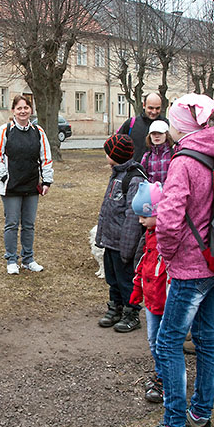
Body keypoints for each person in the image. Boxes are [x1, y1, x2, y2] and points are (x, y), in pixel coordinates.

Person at [131, 94, 214, 427]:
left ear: (183, 125)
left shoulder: (184, 160)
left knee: (168, 342)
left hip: (190, 266)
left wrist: (168, 258)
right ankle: (200, 414)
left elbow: (170, 220)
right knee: (206, 339)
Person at [0, 95, 54, 275]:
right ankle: (11, 259)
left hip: (31, 185)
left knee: (29, 225)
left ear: (30, 110)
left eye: (26, 108)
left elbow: (45, 158)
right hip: (11, 187)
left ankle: (28, 259)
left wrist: (46, 180)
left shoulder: (38, 131)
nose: (23, 111)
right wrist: (4, 176)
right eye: (19, 108)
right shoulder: (5, 131)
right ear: (13, 111)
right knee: (11, 224)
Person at [95, 133, 145, 333]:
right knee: (112, 278)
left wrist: (128, 248)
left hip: (124, 243)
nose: (106, 155)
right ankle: (115, 307)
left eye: (108, 152)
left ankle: (131, 312)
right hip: (111, 241)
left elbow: (133, 216)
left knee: (126, 281)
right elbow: (108, 208)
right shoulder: (116, 173)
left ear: (115, 154)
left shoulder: (133, 178)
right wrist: (101, 238)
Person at [129, 181, 168, 403]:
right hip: (152, 300)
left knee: (164, 342)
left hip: (165, 300)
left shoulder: (167, 238)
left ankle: (166, 380)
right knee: (153, 340)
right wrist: (138, 289)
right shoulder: (150, 236)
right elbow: (144, 264)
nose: (140, 221)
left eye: (144, 216)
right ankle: (160, 373)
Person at [116, 93, 168, 162]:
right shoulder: (131, 123)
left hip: (157, 171)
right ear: (144, 105)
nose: (154, 112)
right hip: (133, 170)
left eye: (157, 108)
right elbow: (116, 145)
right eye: (151, 108)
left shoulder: (166, 125)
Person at [139, 120, 174, 184]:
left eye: (160, 133)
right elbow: (141, 178)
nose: (156, 136)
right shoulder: (146, 157)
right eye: (153, 133)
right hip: (151, 193)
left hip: (170, 192)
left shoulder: (173, 154)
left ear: (166, 135)